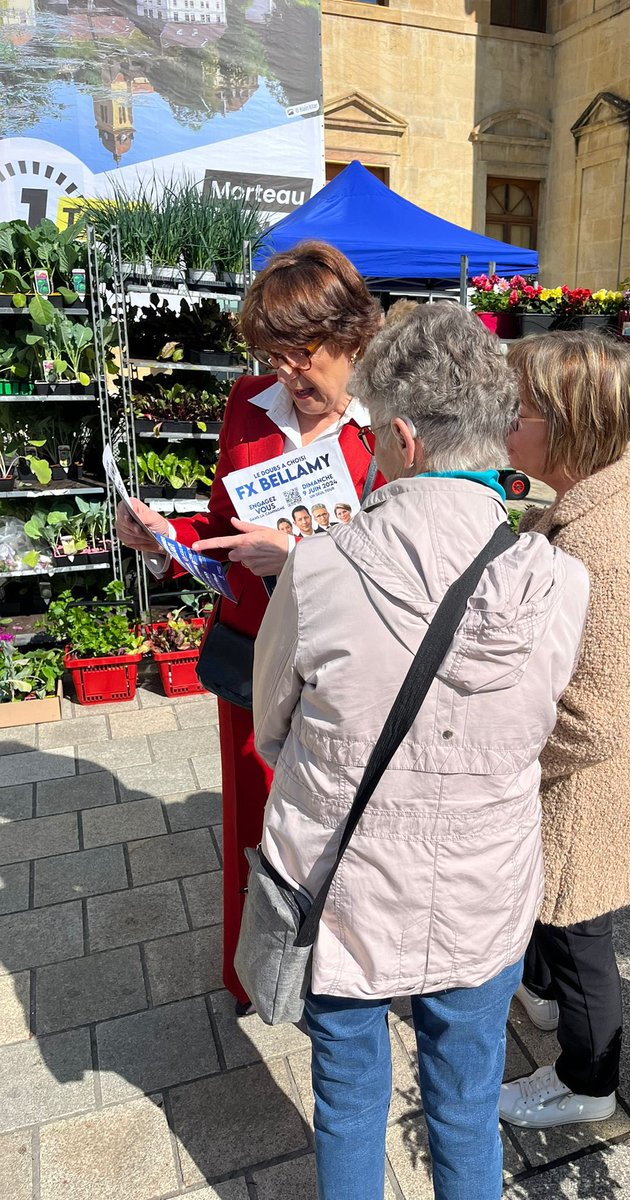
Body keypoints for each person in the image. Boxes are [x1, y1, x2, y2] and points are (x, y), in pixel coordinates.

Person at [252, 304, 589, 1200]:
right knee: (466, 1105)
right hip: (485, 890)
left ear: (400, 436)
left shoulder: (318, 570)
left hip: (343, 888)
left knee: (351, 1100)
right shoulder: (560, 582)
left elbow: (271, 728)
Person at [115, 240, 384, 1011]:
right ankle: (255, 972)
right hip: (254, 656)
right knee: (257, 819)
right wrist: (168, 537)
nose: (289, 375)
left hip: (348, 668)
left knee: (339, 825)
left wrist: (296, 554)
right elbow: (223, 523)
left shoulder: (389, 425)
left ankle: (342, 977)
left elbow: (404, 556)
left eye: (304, 353)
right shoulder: (247, 404)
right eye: (274, 355)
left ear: (353, 337)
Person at [500, 331, 630, 1129]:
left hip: (587, 790)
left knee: (580, 934)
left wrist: (499, 756)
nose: (506, 417)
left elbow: (592, 716)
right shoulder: (605, 498)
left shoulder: (610, 539)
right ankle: (541, 1003)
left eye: (520, 409)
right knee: (558, 922)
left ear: (568, 425)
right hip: (588, 778)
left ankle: (587, 1081)